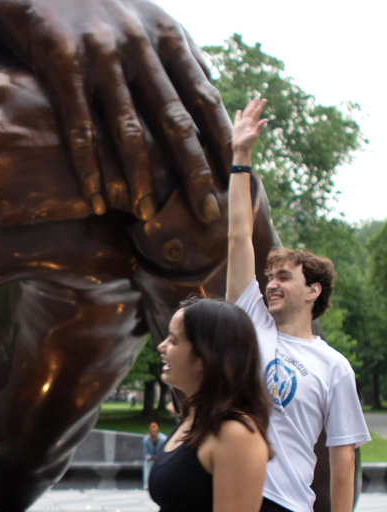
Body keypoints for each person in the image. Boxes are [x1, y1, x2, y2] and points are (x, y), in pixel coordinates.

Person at [226, 97, 371, 512]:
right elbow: (238, 236)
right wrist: (241, 157)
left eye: (284, 277)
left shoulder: (334, 368)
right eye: (270, 277)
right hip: (228, 495)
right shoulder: (250, 315)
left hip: (283, 503)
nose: (270, 284)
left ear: (314, 292)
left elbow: (342, 459)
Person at [149, 298, 272, 512]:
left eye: (174, 340)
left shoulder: (236, 435)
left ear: (204, 358)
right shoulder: (194, 418)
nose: (161, 346)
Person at [142, 422, 167, 490]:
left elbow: (164, 452)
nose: (153, 438)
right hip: (152, 458)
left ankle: (162, 483)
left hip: (161, 457)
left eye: (154, 437)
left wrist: (159, 457)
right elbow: (146, 453)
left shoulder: (163, 439)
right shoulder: (146, 440)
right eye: (152, 437)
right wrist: (149, 457)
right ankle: (146, 484)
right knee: (147, 463)